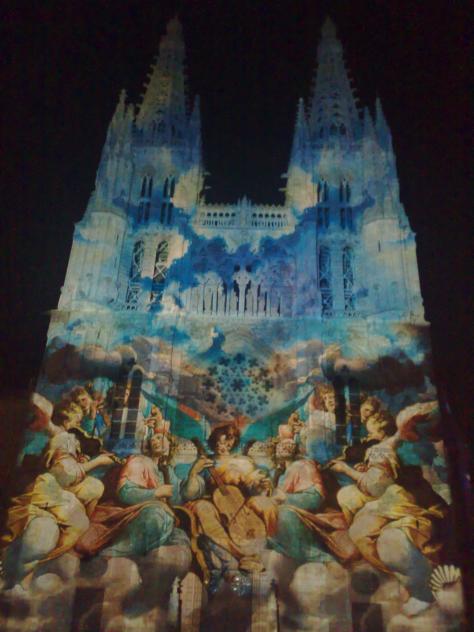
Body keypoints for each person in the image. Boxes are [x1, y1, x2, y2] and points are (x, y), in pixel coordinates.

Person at [329, 401, 446, 616]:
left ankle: (418, 588)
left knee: (361, 531)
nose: (369, 434)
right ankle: (409, 580)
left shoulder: (380, 449)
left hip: (402, 500)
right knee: (360, 519)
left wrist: (347, 470)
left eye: (372, 430)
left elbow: (376, 487)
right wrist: (368, 470)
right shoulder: (400, 446)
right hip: (416, 498)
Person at [182, 424, 278, 575]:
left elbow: (252, 486)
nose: (223, 446)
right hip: (214, 504)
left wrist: (260, 484)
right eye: (219, 443)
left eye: (228, 442)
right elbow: (190, 494)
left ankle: (266, 549)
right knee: (202, 509)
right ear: (214, 442)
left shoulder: (243, 461)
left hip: (240, 503)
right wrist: (194, 472)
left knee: (265, 504)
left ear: (233, 442)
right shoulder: (206, 462)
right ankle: (238, 555)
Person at [95, 432, 189, 557]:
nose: (154, 441)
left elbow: (176, 502)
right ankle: (110, 555)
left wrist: (193, 476)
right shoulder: (139, 461)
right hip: (131, 512)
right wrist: (156, 493)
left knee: (181, 539)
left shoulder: (168, 472)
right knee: (156, 517)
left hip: (164, 518)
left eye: (159, 437)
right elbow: (125, 492)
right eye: (152, 439)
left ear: (170, 443)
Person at [267, 438, 332, 563]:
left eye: (289, 445)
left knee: (283, 516)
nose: (285, 448)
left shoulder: (302, 466)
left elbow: (315, 499)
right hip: (287, 507)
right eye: (281, 445)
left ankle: (320, 559)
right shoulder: (280, 472)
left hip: (309, 508)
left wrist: (285, 498)